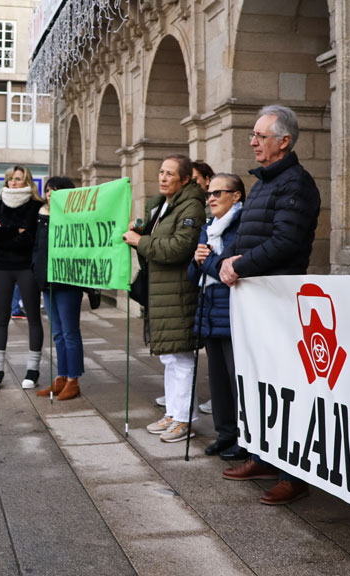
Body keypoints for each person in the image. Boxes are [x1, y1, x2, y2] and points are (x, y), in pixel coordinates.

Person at [218, 105, 321, 506]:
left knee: (282, 388)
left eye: (261, 136)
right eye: (253, 135)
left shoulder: (296, 184)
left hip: (279, 300)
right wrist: (232, 258)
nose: (253, 142)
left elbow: (285, 243)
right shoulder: (262, 182)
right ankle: (261, 455)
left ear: (284, 141)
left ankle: (292, 475)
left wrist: (239, 264)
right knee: (257, 384)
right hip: (254, 300)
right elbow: (249, 238)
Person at [123, 154, 206, 444]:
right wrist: (140, 232)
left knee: (182, 357)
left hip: (179, 292)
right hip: (162, 291)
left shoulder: (192, 206)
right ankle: (173, 413)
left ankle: (185, 420)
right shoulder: (162, 205)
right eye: (161, 172)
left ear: (185, 179)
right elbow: (159, 239)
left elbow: (179, 248)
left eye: (170, 174)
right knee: (170, 357)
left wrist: (141, 242)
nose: (162, 177)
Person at [188, 173, 247, 460]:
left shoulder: (241, 226)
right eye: (208, 193)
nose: (210, 198)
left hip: (231, 307)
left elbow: (227, 273)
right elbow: (192, 273)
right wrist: (198, 260)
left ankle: (245, 438)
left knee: (237, 376)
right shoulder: (208, 226)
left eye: (217, 193)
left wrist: (207, 261)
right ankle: (225, 434)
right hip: (209, 308)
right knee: (217, 378)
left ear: (236, 195)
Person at [0, 165, 45, 390]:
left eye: (18, 179)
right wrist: (15, 231)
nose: (13, 182)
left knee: (33, 318)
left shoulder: (35, 206)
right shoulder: (0, 203)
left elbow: (30, 238)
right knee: (1, 318)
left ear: (27, 181)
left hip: (26, 267)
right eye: (10, 179)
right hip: (2, 267)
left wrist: (6, 232)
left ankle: (33, 369)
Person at [32, 176, 83, 400]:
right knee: (58, 333)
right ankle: (61, 376)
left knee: (70, 332)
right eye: (49, 190)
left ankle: (73, 380)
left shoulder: (75, 217)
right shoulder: (40, 215)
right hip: (46, 280)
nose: (51, 194)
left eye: (56, 190)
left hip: (68, 280)